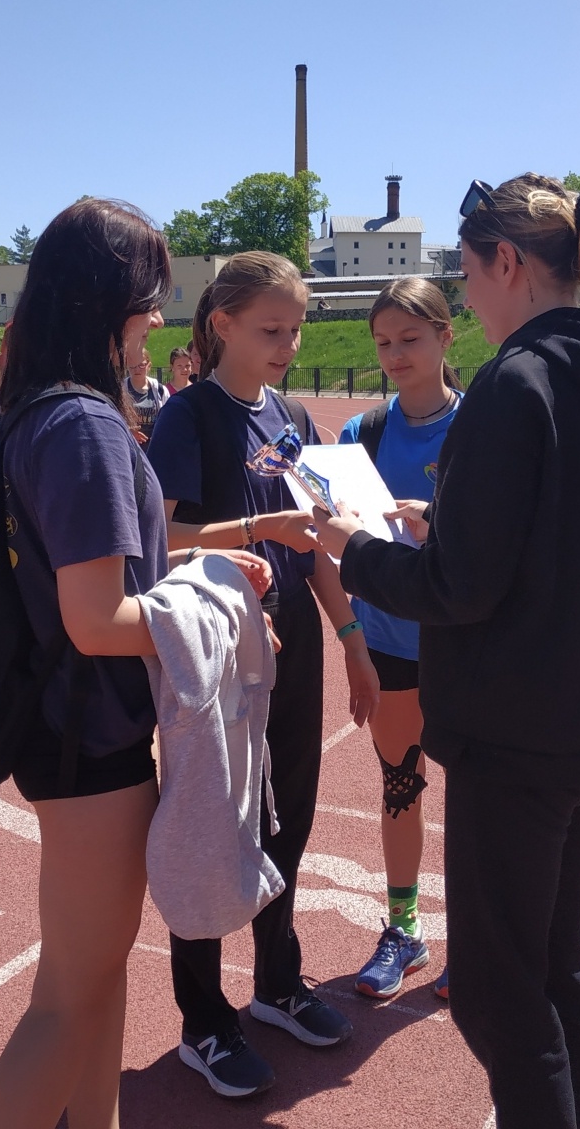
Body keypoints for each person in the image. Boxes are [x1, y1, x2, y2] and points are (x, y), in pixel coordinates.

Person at [312, 174, 580, 1129]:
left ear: (507, 262)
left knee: (497, 992)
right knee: (556, 956)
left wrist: (357, 551)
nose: (465, 295)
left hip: (514, 728)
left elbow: (459, 592)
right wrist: (453, 524)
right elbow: (559, 538)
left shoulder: (517, 382)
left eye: (466, 274)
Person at [0, 197, 271, 1129]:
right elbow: (98, 617)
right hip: (86, 746)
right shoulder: (86, 427)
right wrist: (217, 605)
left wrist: (190, 564)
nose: (157, 326)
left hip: (76, 737)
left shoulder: (46, 411)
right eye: (151, 302)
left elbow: (99, 570)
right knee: (68, 998)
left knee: (95, 986)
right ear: (113, 304)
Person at [147, 250, 371, 1099]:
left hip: (296, 645)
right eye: (272, 328)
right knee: (212, 824)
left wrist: (350, 637)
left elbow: (314, 542)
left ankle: (277, 984)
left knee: (292, 818)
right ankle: (203, 1022)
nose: (288, 342)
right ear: (223, 324)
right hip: (219, 649)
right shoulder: (188, 417)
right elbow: (159, 544)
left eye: (297, 327)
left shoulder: (293, 417)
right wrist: (252, 525)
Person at [335, 277, 463, 1001]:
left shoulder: (483, 428)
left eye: (410, 339)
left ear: (447, 337)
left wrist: (437, 521)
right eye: (383, 342)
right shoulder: (363, 434)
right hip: (387, 639)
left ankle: (474, 942)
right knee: (400, 787)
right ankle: (405, 929)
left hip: (463, 643)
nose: (394, 354)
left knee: (476, 798)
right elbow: (336, 543)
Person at [125, 348, 168, 443]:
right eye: (133, 366)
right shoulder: (121, 390)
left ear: (149, 366)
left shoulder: (160, 390)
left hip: (154, 446)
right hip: (130, 445)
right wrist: (128, 431)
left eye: (141, 365)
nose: (137, 369)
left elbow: (167, 419)